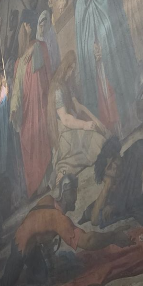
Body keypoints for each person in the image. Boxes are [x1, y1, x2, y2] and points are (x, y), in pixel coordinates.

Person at [0, 174, 130, 286]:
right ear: (66, 192)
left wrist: (41, 241)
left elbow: (34, 221)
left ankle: (24, 274)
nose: (76, 197)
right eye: (73, 192)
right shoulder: (58, 219)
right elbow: (87, 241)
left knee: (42, 278)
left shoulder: (49, 200)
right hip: (21, 247)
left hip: (31, 244)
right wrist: (113, 236)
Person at [76, 0, 136, 135]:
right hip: (95, 61)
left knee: (113, 86)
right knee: (101, 93)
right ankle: (109, 127)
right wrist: (91, 52)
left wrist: (106, 48)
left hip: (111, 54)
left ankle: (122, 121)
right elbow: (82, 39)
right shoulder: (81, 4)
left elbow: (115, 25)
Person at [47, 50, 108, 187]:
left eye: (74, 69)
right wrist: (85, 125)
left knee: (101, 140)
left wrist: (96, 120)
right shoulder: (57, 89)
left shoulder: (67, 84)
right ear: (66, 67)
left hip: (74, 125)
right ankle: (63, 170)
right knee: (96, 143)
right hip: (65, 133)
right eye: (71, 68)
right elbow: (65, 119)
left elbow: (79, 107)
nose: (72, 72)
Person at [10, 9, 53, 198]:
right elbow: (17, 91)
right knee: (30, 140)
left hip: (40, 100)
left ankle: (48, 179)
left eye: (29, 24)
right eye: (26, 25)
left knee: (43, 137)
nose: (29, 27)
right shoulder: (18, 62)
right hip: (27, 108)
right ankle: (37, 184)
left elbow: (46, 71)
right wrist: (14, 109)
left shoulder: (38, 45)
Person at [80, 135, 143, 227]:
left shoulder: (135, 152)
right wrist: (107, 185)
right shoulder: (114, 193)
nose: (115, 166)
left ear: (118, 153)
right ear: (106, 175)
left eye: (114, 159)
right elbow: (95, 220)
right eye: (109, 167)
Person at [36, 8, 61, 73]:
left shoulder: (51, 33)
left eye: (44, 25)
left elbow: (56, 52)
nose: (43, 28)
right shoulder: (38, 38)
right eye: (41, 26)